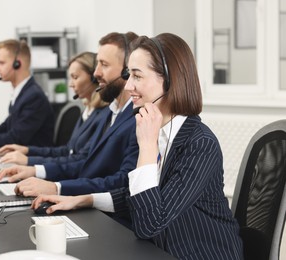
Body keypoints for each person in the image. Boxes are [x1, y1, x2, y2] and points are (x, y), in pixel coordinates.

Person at [31, 33, 244, 259]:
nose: (128, 85)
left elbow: (150, 223)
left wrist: (147, 147)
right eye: (128, 75)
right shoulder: (158, 130)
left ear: (170, 80)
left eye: (137, 76)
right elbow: (142, 197)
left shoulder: (199, 144)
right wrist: (83, 200)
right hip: (163, 249)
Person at [0, 32, 140, 197]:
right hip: (84, 193)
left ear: (127, 71)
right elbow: (82, 160)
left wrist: (56, 187)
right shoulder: (111, 113)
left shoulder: (136, 118)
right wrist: (36, 170)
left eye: (104, 64)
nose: (96, 73)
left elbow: (123, 182)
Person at [0, 52, 108, 165]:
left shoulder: (103, 115)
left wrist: (29, 161)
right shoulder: (87, 111)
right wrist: (27, 150)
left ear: (94, 78)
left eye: (75, 77)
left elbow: (80, 161)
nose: (70, 84)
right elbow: (67, 151)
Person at [0, 39, 54, 149]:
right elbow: (6, 127)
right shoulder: (22, 93)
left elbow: (16, 137)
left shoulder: (34, 96)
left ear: (17, 64)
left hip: (33, 161)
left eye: (1, 63)